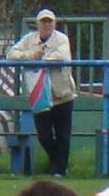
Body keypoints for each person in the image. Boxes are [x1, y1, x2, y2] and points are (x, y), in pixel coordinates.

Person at [8, 9, 76, 176]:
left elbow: (61, 56)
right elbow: (11, 54)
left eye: (50, 22)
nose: (47, 25)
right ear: (38, 24)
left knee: (63, 135)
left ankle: (59, 171)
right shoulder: (29, 39)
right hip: (39, 95)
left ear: (54, 23)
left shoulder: (61, 39)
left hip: (62, 94)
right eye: (43, 22)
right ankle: (57, 162)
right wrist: (31, 54)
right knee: (44, 136)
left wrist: (39, 58)